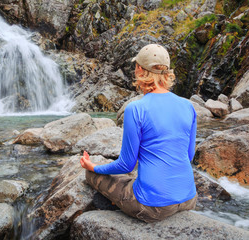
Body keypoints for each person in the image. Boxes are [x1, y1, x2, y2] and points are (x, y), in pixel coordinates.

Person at [80, 43, 197, 223]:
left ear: (139, 70)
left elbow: (126, 165)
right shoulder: (188, 106)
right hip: (189, 198)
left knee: (92, 176)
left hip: (154, 207)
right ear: (166, 72)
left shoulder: (136, 109)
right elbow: (188, 156)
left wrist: (93, 167)